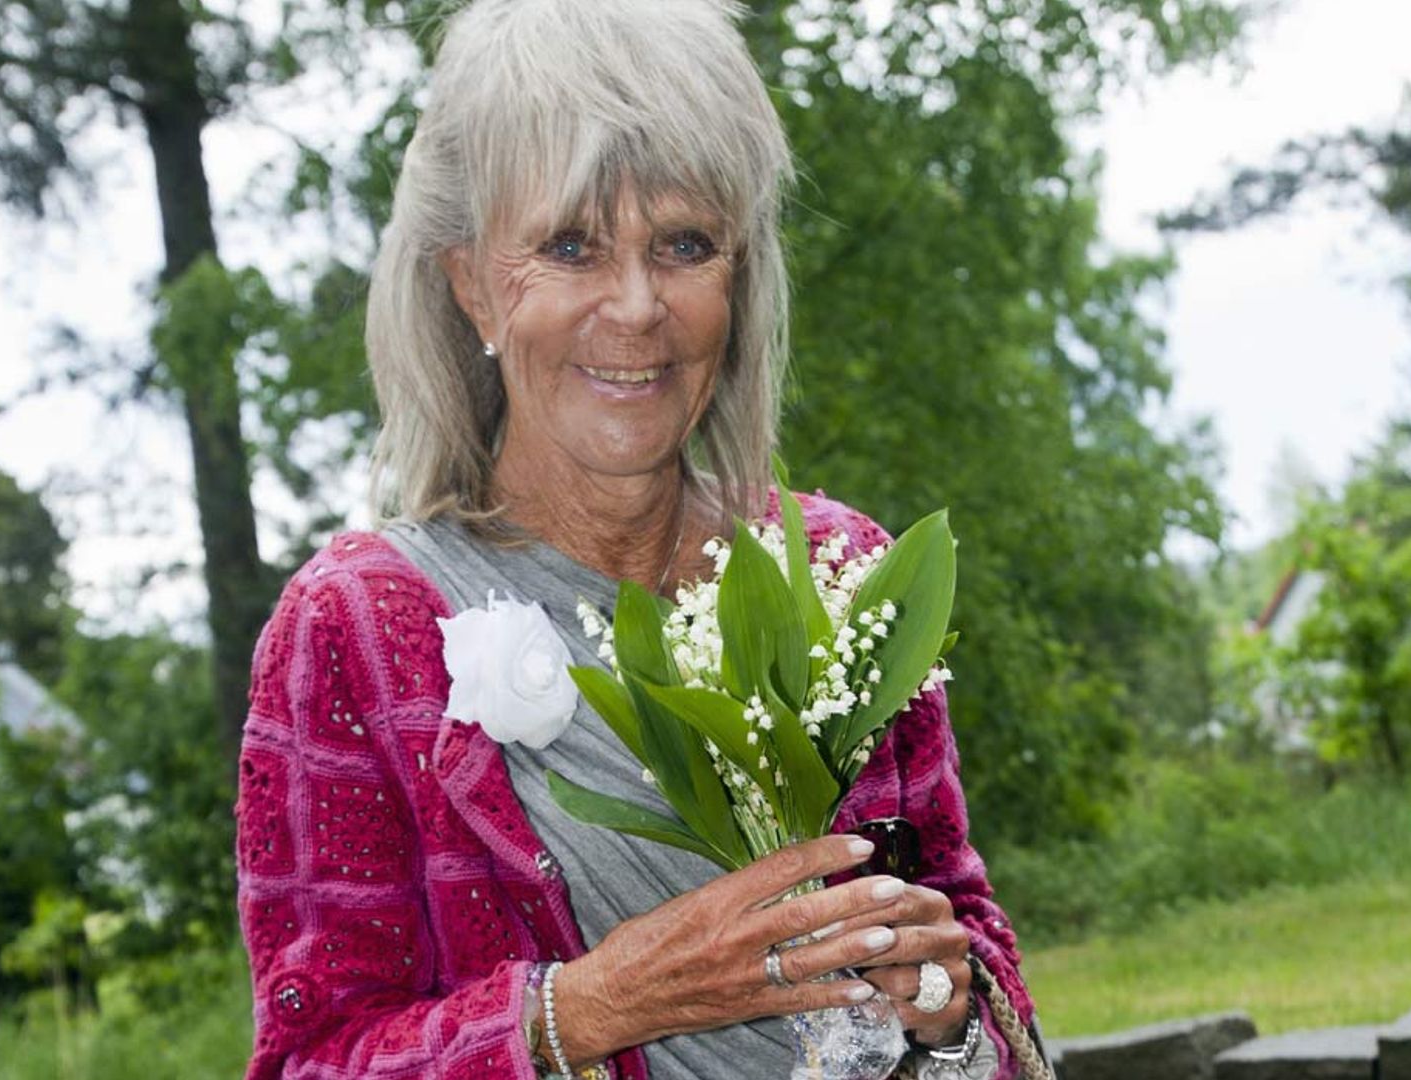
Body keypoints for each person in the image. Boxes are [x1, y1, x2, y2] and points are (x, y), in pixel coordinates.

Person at [233, 2, 1046, 1077]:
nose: (635, 306)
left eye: (684, 245)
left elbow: (974, 955)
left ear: (739, 276)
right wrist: (592, 1007)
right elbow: (312, 1059)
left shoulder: (842, 572)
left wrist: (944, 1006)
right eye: (570, 246)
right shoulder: (361, 628)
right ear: (471, 282)